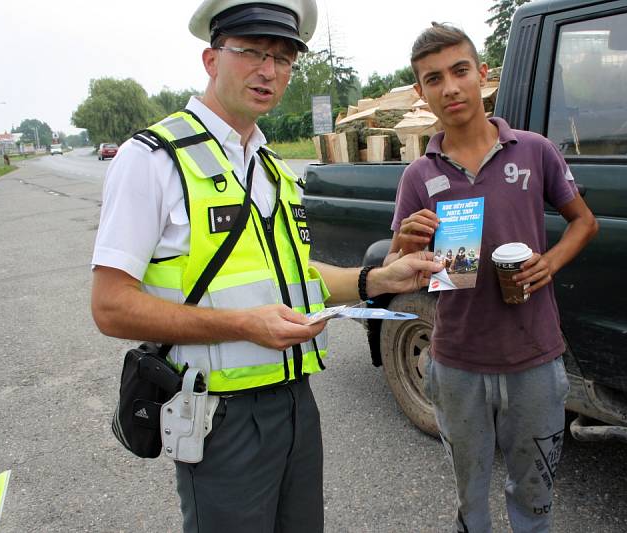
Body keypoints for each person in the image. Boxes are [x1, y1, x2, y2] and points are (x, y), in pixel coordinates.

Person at [89, 1, 441, 531]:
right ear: (211, 59)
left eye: (283, 57)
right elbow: (110, 307)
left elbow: (295, 278)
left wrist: (376, 280)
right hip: (219, 416)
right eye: (251, 52)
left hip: (296, 403)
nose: (268, 70)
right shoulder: (154, 159)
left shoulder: (272, 168)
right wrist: (243, 325)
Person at [386, 23, 598, 533]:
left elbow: (584, 222)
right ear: (421, 92)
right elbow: (395, 267)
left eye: (460, 71)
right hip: (456, 362)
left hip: (534, 358)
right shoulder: (419, 176)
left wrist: (551, 261)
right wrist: (410, 241)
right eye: (433, 79)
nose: (451, 87)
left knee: (534, 496)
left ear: (482, 75)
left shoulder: (534, 150)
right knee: (470, 495)